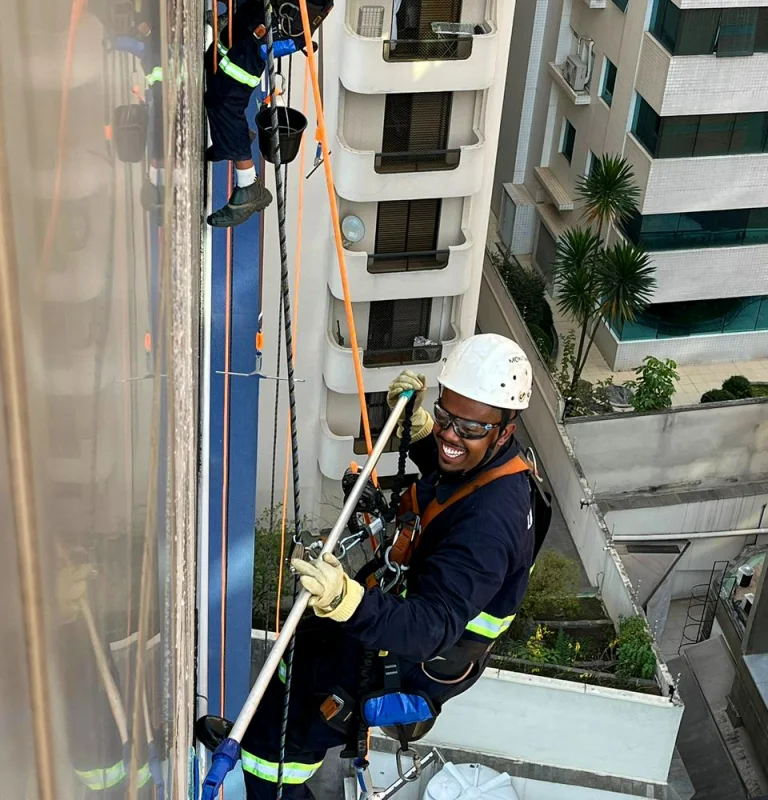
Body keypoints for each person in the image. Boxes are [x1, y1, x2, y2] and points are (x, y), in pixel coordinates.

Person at [222, 333, 539, 799]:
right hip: (395, 630)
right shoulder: (493, 465)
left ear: (505, 430)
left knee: (281, 747)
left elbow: (430, 626)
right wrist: (423, 433)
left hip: (408, 657)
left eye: (470, 429)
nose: (452, 435)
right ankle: (260, 731)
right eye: (447, 417)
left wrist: (345, 600)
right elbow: (455, 479)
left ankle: (263, 762)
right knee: (302, 653)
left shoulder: (490, 527)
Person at [204, 2, 333, 228]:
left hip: (272, 28)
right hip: (260, 14)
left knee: (226, 100)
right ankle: (230, 139)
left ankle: (248, 186)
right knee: (215, 56)